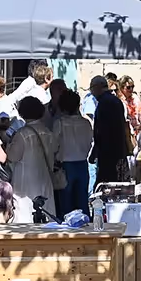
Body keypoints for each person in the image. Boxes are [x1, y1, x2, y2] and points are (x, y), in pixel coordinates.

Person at [3, 97, 58, 223]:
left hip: (25, 181)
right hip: (45, 178)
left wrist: (9, 144)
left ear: (22, 113)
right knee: (46, 212)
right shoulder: (48, 132)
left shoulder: (22, 134)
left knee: (25, 213)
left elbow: (12, 157)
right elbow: (55, 150)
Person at [50, 82, 94, 220]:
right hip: (82, 164)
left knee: (65, 204)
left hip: (65, 166)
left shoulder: (60, 123)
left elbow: (53, 146)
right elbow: (89, 143)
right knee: (82, 202)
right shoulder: (86, 123)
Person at [89, 75, 132, 184]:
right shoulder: (116, 101)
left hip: (108, 153)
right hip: (118, 150)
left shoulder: (104, 103)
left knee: (107, 185)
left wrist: (95, 151)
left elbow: (102, 131)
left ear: (97, 88)